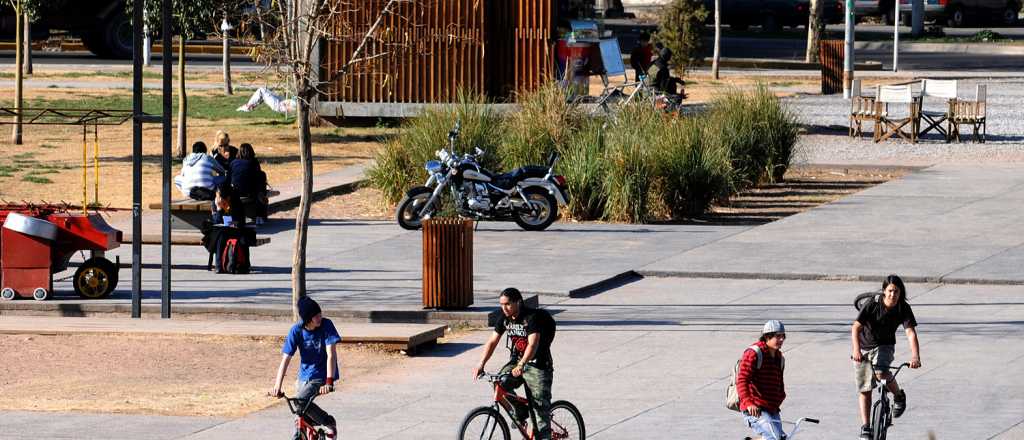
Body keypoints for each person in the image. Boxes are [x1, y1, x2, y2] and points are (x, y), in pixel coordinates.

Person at [473, 288, 556, 440]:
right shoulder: (504, 318)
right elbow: (492, 341)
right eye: (501, 304)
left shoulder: (532, 317)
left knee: (540, 416)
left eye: (508, 304)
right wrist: (481, 364)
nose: (504, 308)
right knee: (499, 383)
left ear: (518, 302)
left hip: (539, 365)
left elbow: (533, 344)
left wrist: (522, 364)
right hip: (518, 362)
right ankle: (520, 412)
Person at [852, 275, 921, 440]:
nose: (893, 295)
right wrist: (856, 350)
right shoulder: (872, 304)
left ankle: (898, 395)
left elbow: (910, 333)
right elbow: (855, 328)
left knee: (881, 373)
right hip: (863, 347)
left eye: (896, 291)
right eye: (890, 291)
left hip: (885, 346)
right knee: (865, 389)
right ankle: (866, 427)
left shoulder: (903, 308)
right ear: (884, 291)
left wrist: (915, 356)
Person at [271, 296, 340, 440]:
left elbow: (331, 355)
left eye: (320, 313)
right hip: (304, 375)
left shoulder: (326, 325)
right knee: (301, 409)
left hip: (322, 374)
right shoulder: (296, 330)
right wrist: (277, 387)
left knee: (301, 401)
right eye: (316, 316)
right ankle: (309, 432)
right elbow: (285, 360)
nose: (320, 317)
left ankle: (328, 423)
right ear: (308, 319)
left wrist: (329, 381)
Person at [737, 320, 787, 440]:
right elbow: (742, 380)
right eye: (777, 336)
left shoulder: (779, 357)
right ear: (767, 337)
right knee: (773, 438)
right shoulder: (754, 353)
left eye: (783, 336)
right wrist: (749, 403)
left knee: (780, 438)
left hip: (771, 407)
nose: (781, 340)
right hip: (755, 408)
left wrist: (780, 396)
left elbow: (779, 382)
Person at [230, 143, 269, 224]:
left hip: (236, 192)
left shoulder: (233, 162)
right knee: (261, 181)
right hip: (250, 192)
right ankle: (260, 215)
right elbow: (258, 177)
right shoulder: (253, 162)